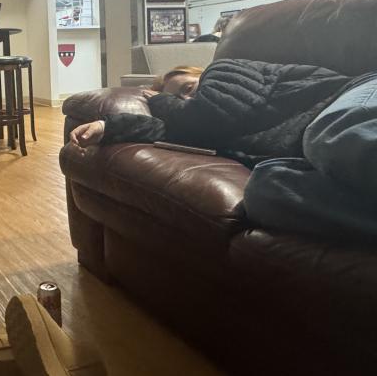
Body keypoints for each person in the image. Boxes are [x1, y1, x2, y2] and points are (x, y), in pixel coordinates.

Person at [68, 58, 377, 242]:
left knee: (328, 138)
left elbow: (209, 115)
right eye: (180, 99)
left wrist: (159, 99)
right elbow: (181, 131)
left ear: (198, 73)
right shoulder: (201, 124)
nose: (188, 101)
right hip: (316, 153)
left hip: (353, 99)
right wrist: (109, 127)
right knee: (264, 190)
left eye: (187, 89)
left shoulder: (224, 71)